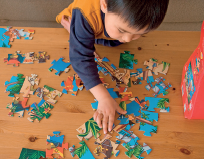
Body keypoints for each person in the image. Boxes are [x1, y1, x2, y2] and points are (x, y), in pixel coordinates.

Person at [56, 0, 169, 134]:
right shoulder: (85, 14)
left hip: (102, 33)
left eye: (140, 34)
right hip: (79, 20)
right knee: (84, 40)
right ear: (104, 5)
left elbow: (123, 36)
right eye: (122, 30)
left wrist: (122, 33)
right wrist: (103, 97)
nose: (127, 39)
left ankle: (81, 34)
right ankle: (75, 31)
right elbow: (80, 59)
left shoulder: (120, 25)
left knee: (116, 39)